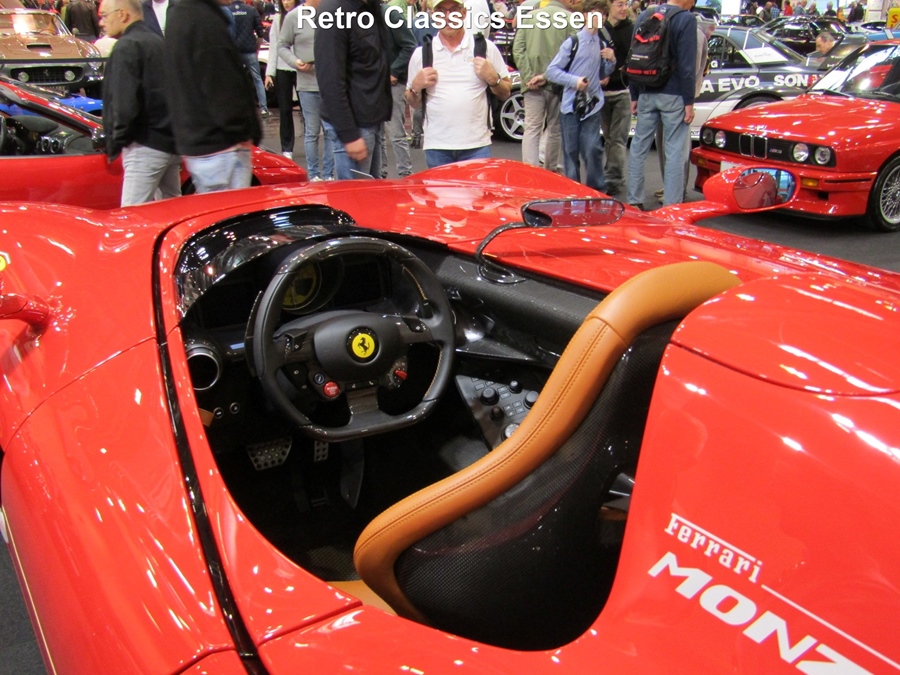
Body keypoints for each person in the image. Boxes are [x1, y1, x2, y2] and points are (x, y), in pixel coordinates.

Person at [163, 0, 262, 193]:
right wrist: (243, 130)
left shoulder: (180, 15)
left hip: (200, 143)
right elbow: (221, 84)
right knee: (231, 209)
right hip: (221, 146)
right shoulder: (205, 21)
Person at [405, 0, 511, 168]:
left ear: (463, 13)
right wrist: (415, 87)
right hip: (437, 147)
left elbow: (506, 92)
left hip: (476, 146)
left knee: (477, 187)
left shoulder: (485, 48)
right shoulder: (422, 54)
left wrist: (493, 79)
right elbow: (413, 102)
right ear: (433, 15)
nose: (448, 17)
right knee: (439, 187)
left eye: (453, 10)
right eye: (441, 11)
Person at [100, 0, 180, 206]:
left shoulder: (127, 47)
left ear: (122, 14)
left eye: (105, 16)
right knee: (172, 209)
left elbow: (124, 103)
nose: (101, 22)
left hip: (145, 145)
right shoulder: (157, 41)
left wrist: (116, 141)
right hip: (169, 142)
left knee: (131, 214)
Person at [625, 0, 697, 208]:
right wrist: (689, 101)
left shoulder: (644, 16)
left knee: (638, 147)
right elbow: (687, 65)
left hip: (646, 90)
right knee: (674, 151)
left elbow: (633, 56)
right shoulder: (686, 19)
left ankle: (634, 200)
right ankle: (671, 206)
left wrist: (635, 94)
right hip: (674, 94)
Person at [314, 0, 392, 179]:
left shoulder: (369, 8)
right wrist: (349, 135)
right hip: (354, 125)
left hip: (371, 119)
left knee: (371, 191)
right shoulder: (333, 12)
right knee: (354, 194)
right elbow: (330, 81)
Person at [545, 0, 616, 191]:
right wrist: (574, 81)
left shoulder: (602, 43)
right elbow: (551, 71)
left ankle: (596, 189)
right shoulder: (572, 43)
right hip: (571, 104)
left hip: (592, 104)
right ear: (585, 15)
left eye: (603, 15)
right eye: (595, 14)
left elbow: (603, 73)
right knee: (570, 151)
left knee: (592, 148)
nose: (599, 18)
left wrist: (611, 60)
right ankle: (573, 189)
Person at [512, 0, 577, 173]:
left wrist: (529, 76)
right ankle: (550, 171)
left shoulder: (529, 17)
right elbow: (573, 54)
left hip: (531, 84)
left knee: (532, 128)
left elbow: (518, 49)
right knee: (555, 129)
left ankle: (530, 172)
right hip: (558, 85)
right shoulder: (571, 19)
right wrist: (550, 76)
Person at [279, 0, 335, 179]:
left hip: (330, 83)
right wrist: (295, 62)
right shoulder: (294, 16)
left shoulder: (332, 14)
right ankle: (314, 174)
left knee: (331, 131)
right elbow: (282, 45)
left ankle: (328, 174)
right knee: (312, 131)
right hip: (307, 83)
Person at [599, 0, 633, 199]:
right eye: (620, 4)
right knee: (609, 138)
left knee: (618, 139)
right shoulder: (599, 28)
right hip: (601, 93)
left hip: (622, 91)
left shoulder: (631, 29)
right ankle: (610, 175)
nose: (624, 8)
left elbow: (633, 60)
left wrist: (615, 64)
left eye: (626, 4)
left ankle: (613, 179)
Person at [379, 5, 416, 178]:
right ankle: (379, 173)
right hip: (373, 83)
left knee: (396, 132)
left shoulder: (391, 14)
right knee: (377, 134)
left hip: (392, 83)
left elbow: (410, 45)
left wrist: (394, 71)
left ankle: (405, 174)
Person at [266, 0, 298, 159]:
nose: (286, 2)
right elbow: (273, 47)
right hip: (282, 68)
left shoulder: (302, 16)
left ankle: (311, 144)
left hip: (302, 68)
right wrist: (269, 73)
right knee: (285, 110)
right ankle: (287, 148)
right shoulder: (278, 20)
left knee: (308, 110)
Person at [228, 0, 270, 117]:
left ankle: (236, 109)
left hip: (235, 51)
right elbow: (260, 31)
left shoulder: (228, 10)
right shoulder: (251, 10)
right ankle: (264, 108)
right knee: (257, 79)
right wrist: (257, 47)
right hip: (249, 50)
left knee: (233, 80)